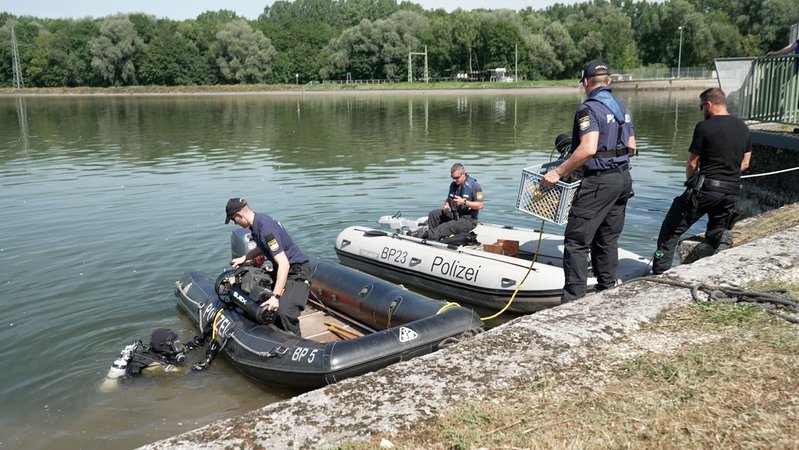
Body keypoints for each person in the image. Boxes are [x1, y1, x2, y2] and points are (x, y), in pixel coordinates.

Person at [541, 59, 636, 304]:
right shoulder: (621, 107)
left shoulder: (588, 109)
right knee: (607, 238)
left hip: (600, 183)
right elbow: (632, 147)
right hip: (623, 179)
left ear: (585, 82)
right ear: (609, 81)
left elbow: (588, 148)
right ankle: (607, 292)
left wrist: (558, 172)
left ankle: (572, 302)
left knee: (576, 241)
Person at [652, 88, 752, 275]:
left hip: (705, 190)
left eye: (701, 107)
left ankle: (659, 271)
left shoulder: (704, 127)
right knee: (715, 230)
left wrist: (692, 183)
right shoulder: (743, 127)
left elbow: (692, 163)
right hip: (730, 191)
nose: (701, 111)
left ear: (708, 105)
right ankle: (721, 239)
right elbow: (745, 163)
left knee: (670, 230)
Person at [225, 198, 311, 336]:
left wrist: (275, 297)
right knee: (255, 294)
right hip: (282, 270)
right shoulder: (257, 223)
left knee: (284, 313)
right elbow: (263, 247)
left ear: (239, 215)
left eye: (234, 220)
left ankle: (298, 344)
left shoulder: (265, 228)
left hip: (297, 272)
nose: (235, 223)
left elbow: (284, 264)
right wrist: (244, 258)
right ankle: (275, 335)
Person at [413, 162, 484, 241]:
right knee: (433, 214)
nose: (454, 180)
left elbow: (480, 205)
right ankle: (434, 236)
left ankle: (427, 235)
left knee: (448, 226)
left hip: (468, 220)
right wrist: (446, 204)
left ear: (464, 174)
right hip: (455, 215)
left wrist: (464, 202)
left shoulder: (474, 186)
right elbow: (449, 198)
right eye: (453, 177)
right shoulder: (453, 185)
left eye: (457, 177)